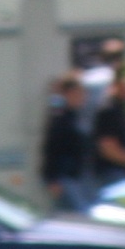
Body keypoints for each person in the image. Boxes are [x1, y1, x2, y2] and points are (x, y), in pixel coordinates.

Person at [40, 73, 94, 211]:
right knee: (79, 211)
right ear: (69, 94)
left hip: (77, 175)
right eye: (78, 94)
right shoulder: (60, 117)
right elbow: (52, 148)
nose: (82, 97)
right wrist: (53, 178)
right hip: (64, 176)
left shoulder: (74, 115)